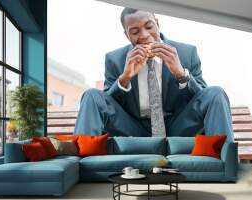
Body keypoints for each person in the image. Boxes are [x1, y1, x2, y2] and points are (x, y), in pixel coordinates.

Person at [74, 8, 234, 141]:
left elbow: (203, 99)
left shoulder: (187, 53)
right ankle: (81, 164)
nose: (144, 35)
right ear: (126, 35)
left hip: (179, 126)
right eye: (135, 31)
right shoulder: (114, 59)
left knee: (216, 93)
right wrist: (125, 78)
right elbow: (106, 104)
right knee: (91, 95)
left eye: (149, 26)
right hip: (133, 129)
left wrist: (181, 73)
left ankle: (225, 163)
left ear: (157, 24)